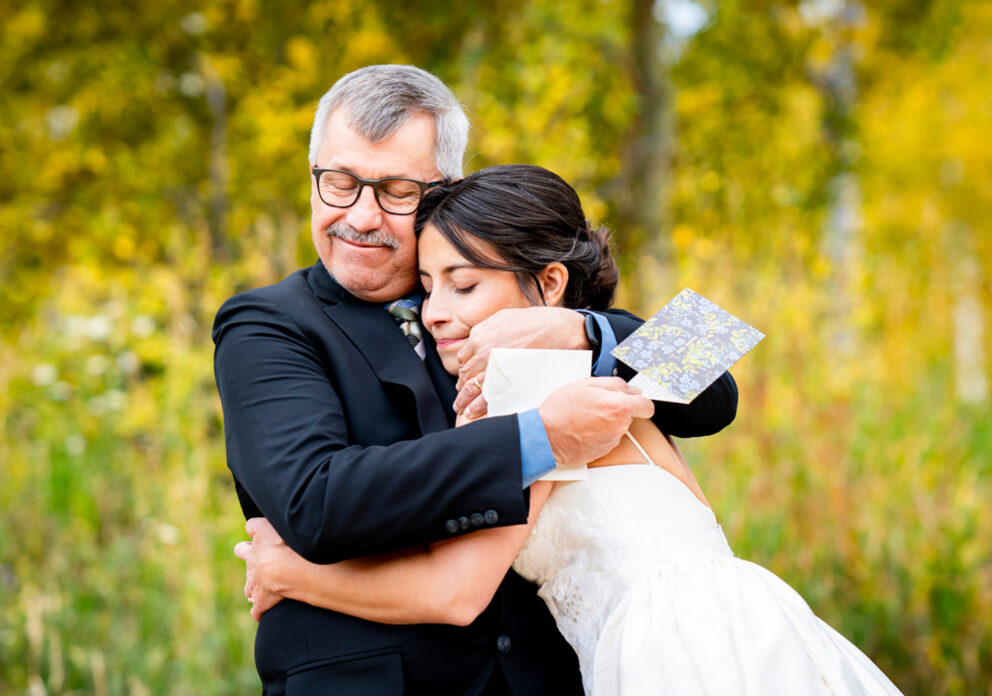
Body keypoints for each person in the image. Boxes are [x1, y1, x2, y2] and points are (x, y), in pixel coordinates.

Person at [236, 165, 903, 696]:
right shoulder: (576, 368)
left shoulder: (529, 376)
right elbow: (703, 343)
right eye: (427, 290)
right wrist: (577, 327)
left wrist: (287, 572)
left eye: (462, 287)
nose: (437, 313)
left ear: (551, 281)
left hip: (669, 640)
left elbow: (455, 592)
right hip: (739, 615)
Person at [213, 65, 737, 695]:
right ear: (314, 177)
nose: (361, 215)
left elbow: (714, 387)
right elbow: (318, 502)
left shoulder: (502, 292)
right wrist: (539, 437)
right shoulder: (265, 321)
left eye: (397, 191)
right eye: (340, 183)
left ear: (444, 192)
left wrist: (579, 331)